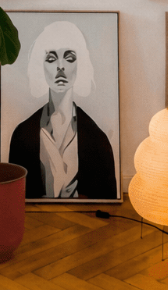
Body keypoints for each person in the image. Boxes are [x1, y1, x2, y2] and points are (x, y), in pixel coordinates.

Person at [9, 21, 117, 200]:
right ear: (40, 66)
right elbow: (15, 197)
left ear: (80, 64)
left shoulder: (98, 139)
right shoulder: (22, 135)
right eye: (51, 59)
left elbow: (106, 198)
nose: (60, 66)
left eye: (69, 58)